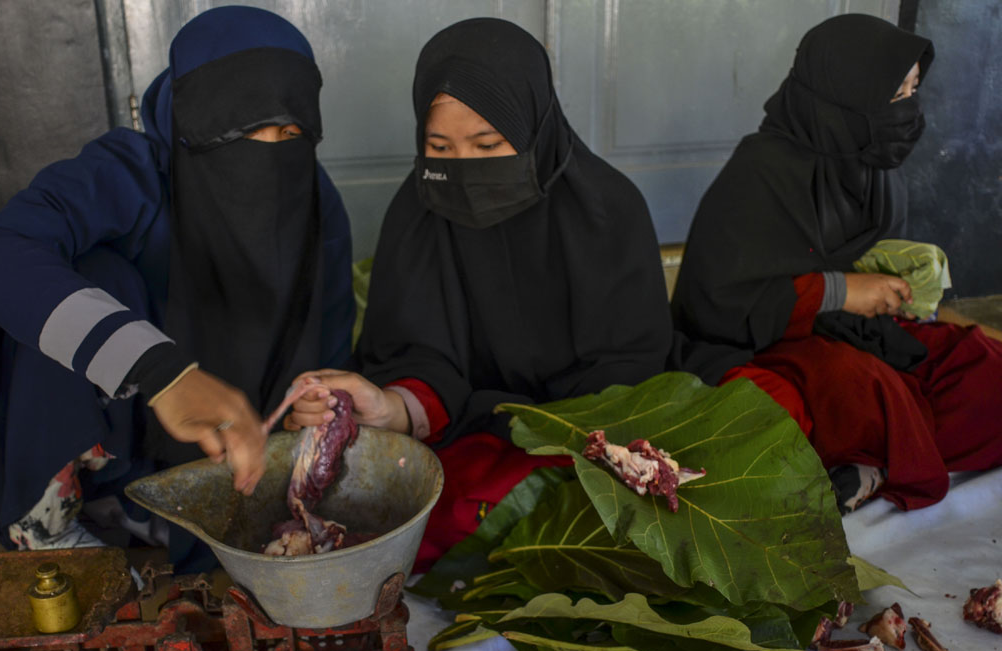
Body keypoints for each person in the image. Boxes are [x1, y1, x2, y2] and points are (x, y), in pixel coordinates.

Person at [284, 18, 744, 570]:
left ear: (535, 130)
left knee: (634, 501)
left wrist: (552, 433)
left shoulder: (609, 212)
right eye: (439, 146)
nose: (464, 168)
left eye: (488, 145)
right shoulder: (417, 214)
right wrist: (392, 406)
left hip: (591, 437)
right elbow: (413, 354)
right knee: (417, 507)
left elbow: (630, 370)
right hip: (464, 429)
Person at [0, 6, 354, 561]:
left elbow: (330, 349)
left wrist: (316, 405)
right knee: (92, 275)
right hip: (120, 443)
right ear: (190, 116)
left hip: (238, 464)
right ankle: (47, 527)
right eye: (244, 128)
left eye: (291, 131)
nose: (271, 150)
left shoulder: (318, 206)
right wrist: (159, 371)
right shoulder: (131, 172)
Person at [671, 14, 1002, 513]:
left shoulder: (870, 159)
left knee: (984, 368)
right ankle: (882, 456)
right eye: (896, 97)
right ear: (844, 98)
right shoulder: (761, 173)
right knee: (865, 393)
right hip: (764, 343)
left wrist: (894, 294)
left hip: (861, 334)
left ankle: (876, 462)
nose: (910, 111)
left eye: (913, 92)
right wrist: (839, 291)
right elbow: (716, 304)